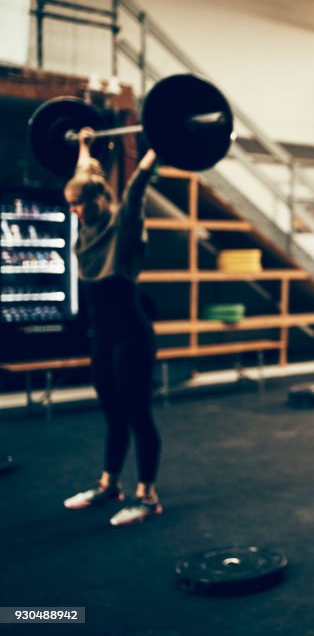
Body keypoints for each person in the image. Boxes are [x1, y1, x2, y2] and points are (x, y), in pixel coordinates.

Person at [61, 128, 163, 527]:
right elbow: (85, 175)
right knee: (111, 413)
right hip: (103, 337)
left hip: (132, 338)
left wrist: (159, 146)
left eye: (76, 206)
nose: (72, 211)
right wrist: (84, 147)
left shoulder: (121, 227)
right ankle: (109, 486)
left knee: (138, 415)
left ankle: (147, 496)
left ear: (95, 202)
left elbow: (136, 187)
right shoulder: (86, 226)